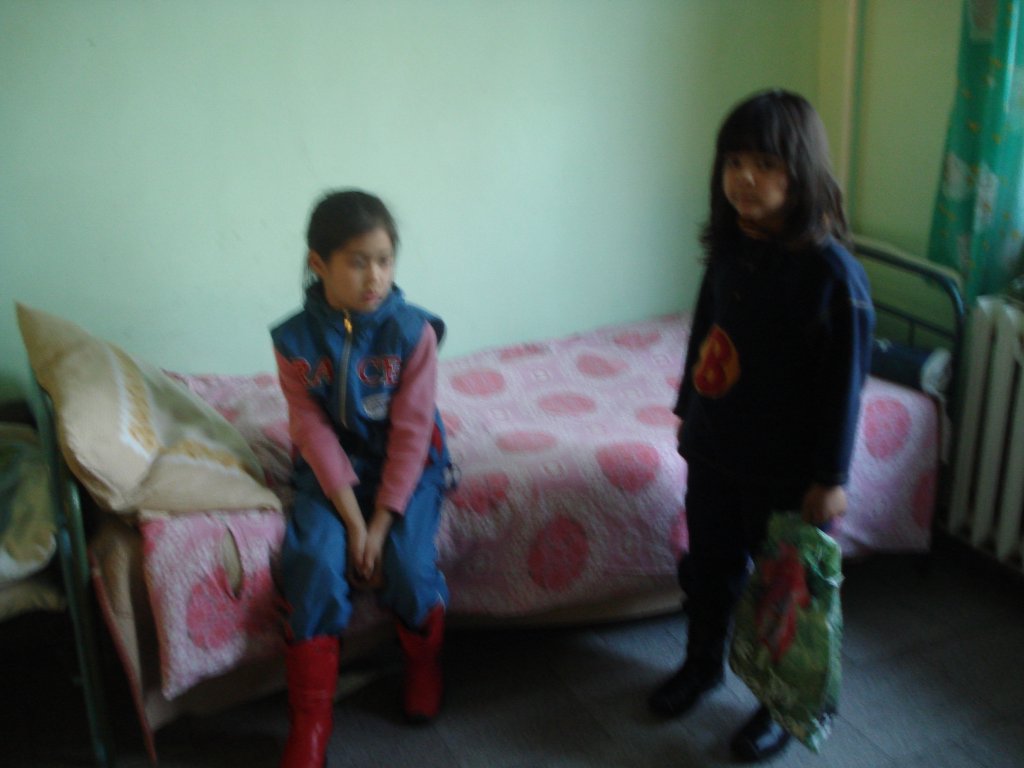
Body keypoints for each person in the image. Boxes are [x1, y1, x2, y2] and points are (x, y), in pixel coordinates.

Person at [649, 89, 875, 762]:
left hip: (787, 472)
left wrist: (830, 478)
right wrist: (689, 410)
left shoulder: (832, 276)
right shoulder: (730, 249)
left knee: (783, 592)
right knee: (709, 568)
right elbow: (705, 336)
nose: (745, 178)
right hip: (717, 450)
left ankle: (778, 704)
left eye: (766, 164)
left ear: (800, 172)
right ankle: (701, 666)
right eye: (735, 162)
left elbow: (845, 387)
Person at [271, 189, 452, 768]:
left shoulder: (413, 334)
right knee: (313, 563)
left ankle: (422, 666)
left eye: (384, 260)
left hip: (405, 463)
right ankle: (311, 719)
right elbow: (312, 430)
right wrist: (352, 522)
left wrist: (379, 525)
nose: (375, 277)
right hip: (331, 473)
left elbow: (412, 435)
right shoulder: (294, 341)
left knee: (409, 566)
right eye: (357, 262)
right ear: (318, 264)